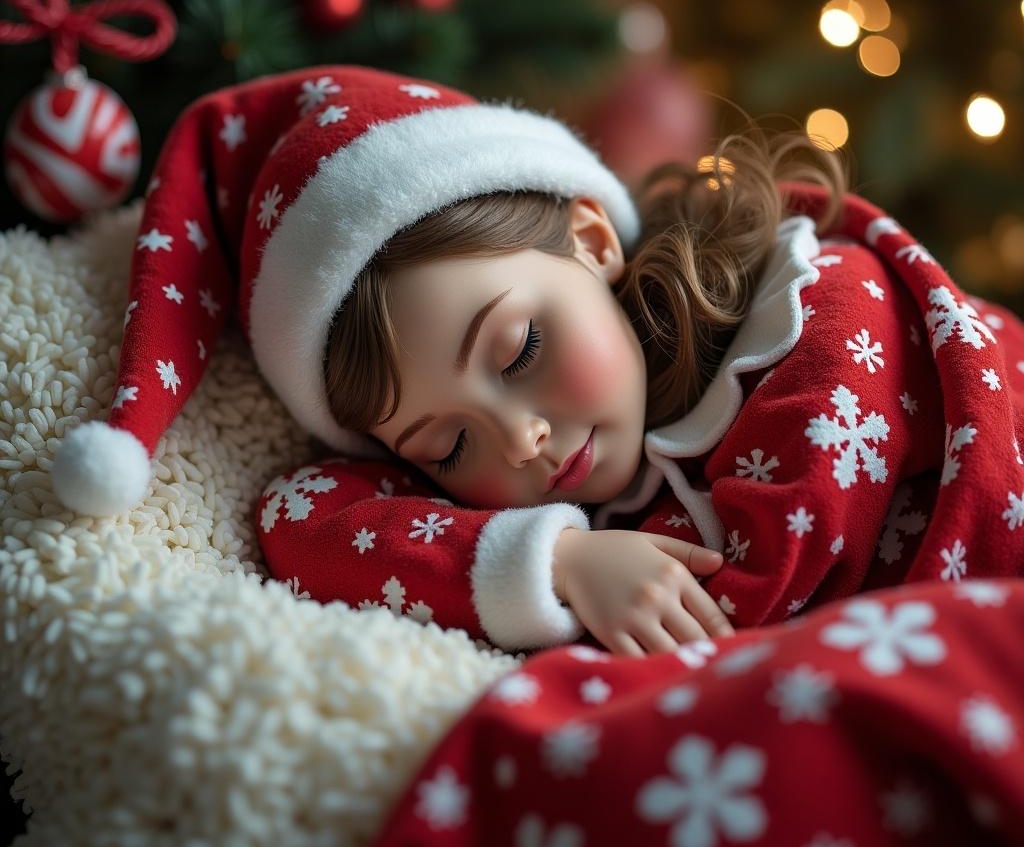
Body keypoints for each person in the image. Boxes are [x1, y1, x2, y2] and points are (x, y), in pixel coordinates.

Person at [50, 65, 1024, 658]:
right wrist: (552, 558)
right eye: (445, 441)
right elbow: (300, 516)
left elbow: (768, 594)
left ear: (592, 242)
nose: (517, 438)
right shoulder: (564, 519)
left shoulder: (810, 305)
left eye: (518, 348)